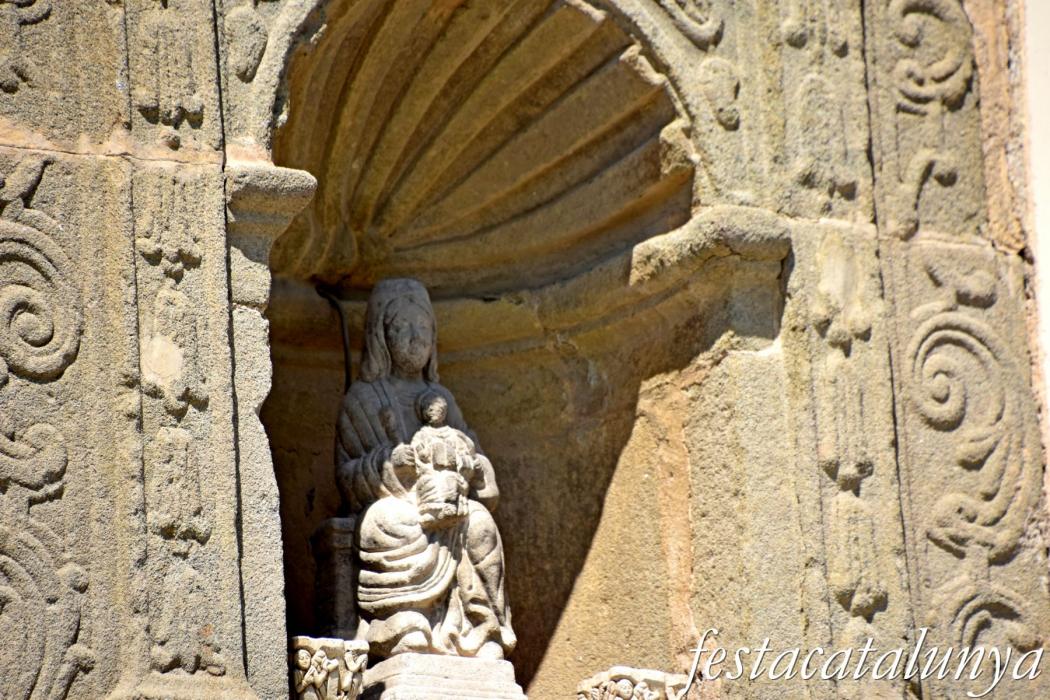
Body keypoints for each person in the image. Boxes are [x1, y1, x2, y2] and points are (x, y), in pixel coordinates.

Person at [335, 278, 515, 660]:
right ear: (382, 335)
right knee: (383, 521)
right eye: (403, 327)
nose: (415, 338)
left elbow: (477, 460)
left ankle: (480, 631)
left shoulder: (445, 399)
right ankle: (401, 621)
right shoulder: (364, 399)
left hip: (450, 506)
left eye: (423, 328)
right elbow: (347, 476)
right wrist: (388, 466)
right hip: (399, 506)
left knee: (480, 522)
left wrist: (472, 468)